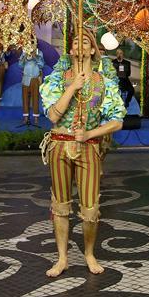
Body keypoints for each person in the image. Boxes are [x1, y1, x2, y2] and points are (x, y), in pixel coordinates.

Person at [39, 28, 125, 277]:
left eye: (84, 42)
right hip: (59, 145)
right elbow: (53, 115)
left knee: (89, 208)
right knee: (60, 204)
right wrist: (72, 87)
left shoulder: (103, 82)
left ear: (91, 50)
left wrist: (90, 134)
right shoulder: (57, 79)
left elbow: (117, 120)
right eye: (75, 42)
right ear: (71, 50)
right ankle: (62, 257)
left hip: (89, 147)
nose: (79, 46)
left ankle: (89, 253)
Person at [19, 46, 45, 126]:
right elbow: (20, 65)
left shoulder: (39, 52)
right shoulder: (24, 52)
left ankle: (36, 119)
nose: (31, 44)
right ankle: (26, 118)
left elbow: (41, 65)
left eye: (33, 42)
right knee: (25, 99)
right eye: (29, 42)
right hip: (25, 78)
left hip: (35, 79)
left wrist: (35, 56)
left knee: (35, 98)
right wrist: (24, 57)